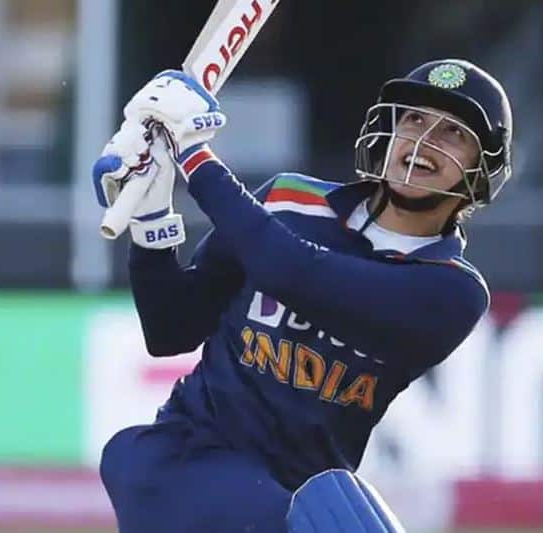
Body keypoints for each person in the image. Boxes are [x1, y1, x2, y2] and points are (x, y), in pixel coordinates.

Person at [93, 59, 513, 532]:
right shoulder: (289, 200)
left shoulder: (452, 289)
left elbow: (294, 272)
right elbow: (171, 329)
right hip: (184, 461)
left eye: (453, 132)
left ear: (482, 169)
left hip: (290, 498)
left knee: (337, 511)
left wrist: (191, 153)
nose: (424, 140)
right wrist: (151, 223)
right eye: (415, 119)